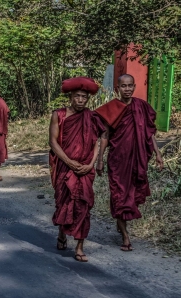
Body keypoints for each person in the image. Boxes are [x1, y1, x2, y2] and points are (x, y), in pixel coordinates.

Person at [95, 74, 164, 252]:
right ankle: (126, 237)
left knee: (132, 194)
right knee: (119, 194)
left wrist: (158, 153)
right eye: (123, 86)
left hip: (137, 160)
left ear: (134, 87)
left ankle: (122, 223)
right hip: (118, 160)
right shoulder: (111, 108)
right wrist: (100, 160)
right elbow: (105, 136)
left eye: (130, 86)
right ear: (117, 89)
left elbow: (149, 133)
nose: (127, 89)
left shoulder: (141, 107)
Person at [49, 77, 104, 262]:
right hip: (65, 166)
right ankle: (62, 233)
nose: (80, 100)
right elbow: (53, 142)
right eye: (77, 96)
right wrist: (69, 162)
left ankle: (79, 247)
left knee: (83, 206)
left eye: (84, 97)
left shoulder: (92, 117)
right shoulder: (59, 115)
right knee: (64, 203)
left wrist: (92, 164)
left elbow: (99, 140)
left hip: (85, 168)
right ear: (70, 97)